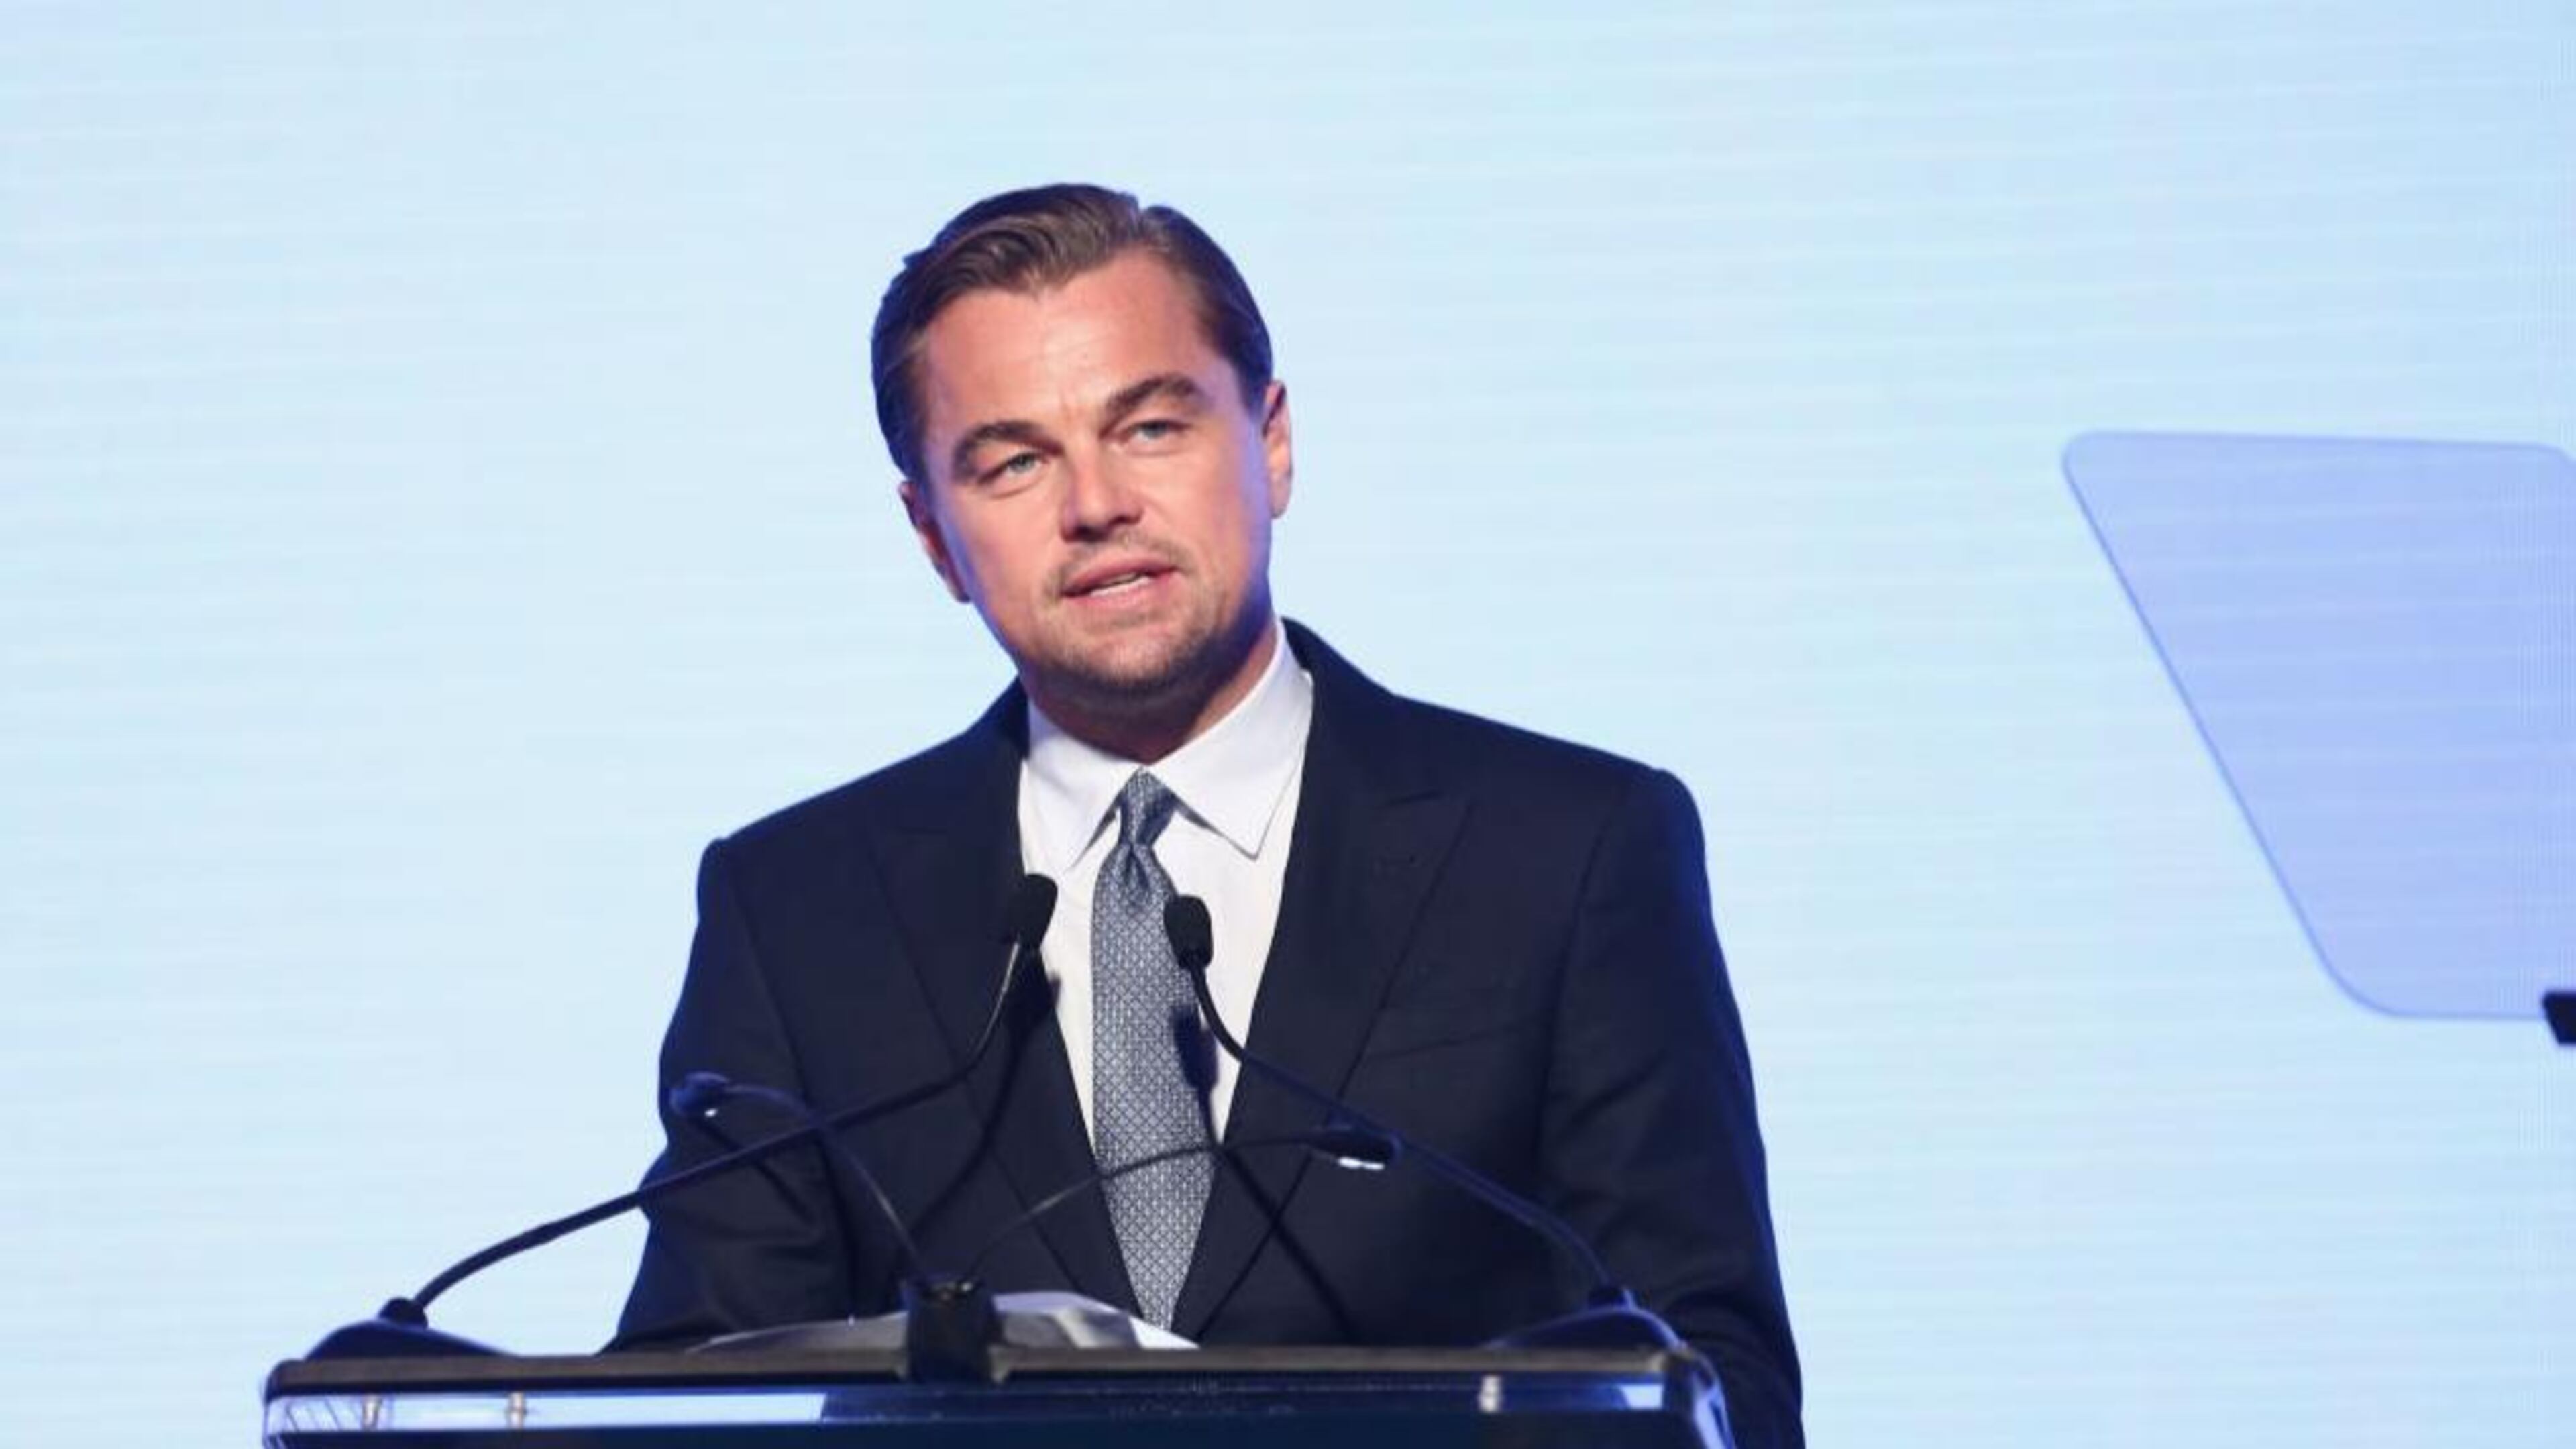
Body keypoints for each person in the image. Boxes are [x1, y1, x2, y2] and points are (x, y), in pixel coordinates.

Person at [614, 183, 1803, 1446]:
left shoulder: (1571, 853)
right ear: (933, 536)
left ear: (1271, 442)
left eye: (1151, 428)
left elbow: (1715, 1385)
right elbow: (696, 1395)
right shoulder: (801, 908)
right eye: (1014, 461)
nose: (1095, 506)